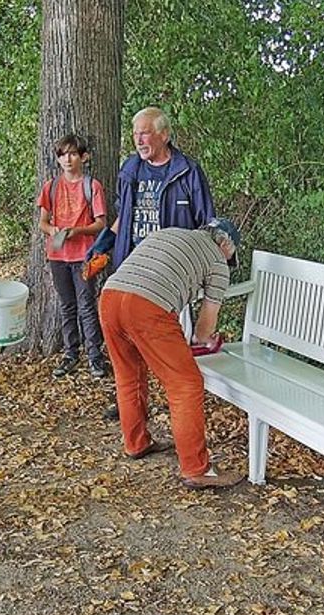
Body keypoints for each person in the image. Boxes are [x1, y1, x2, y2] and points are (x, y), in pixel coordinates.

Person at [86, 106, 218, 418]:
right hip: (131, 269)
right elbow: (122, 219)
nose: (139, 140)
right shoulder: (130, 170)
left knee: (169, 345)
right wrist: (102, 246)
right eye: (135, 134)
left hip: (170, 274)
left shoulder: (187, 171)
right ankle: (133, 406)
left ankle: (181, 402)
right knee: (128, 347)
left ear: (164, 134)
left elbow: (206, 224)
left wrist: (205, 268)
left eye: (145, 133)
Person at [99, 220, 244, 489]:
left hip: (110, 297)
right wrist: (208, 339)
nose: (228, 259)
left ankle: (136, 443)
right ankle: (196, 469)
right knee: (186, 385)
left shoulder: (171, 233)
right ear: (225, 244)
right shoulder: (217, 261)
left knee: (129, 375)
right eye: (230, 254)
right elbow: (203, 329)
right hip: (147, 308)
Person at [37, 134, 108, 378]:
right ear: (58, 159)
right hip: (58, 256)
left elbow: (101, 224)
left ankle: (95, 357)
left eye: (73, 153)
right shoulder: (51, 187)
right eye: (63, 154)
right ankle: (70, 353)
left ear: (83, 157)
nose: (67, 159)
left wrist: (78, 231)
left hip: (84, 255)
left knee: (86, 305)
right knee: (67, 306)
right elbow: (43, 223)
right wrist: (54, 230)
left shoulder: (92, 186)